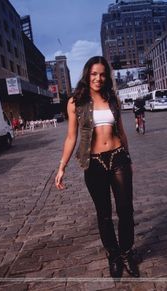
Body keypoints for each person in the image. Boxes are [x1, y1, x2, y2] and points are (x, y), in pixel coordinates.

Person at [55, 56, 139, 278]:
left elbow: (121, 130)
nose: (98, 78)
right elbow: (71, 137)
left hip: (118, 156)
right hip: (94, 163)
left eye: (102, 74)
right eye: (94, 74)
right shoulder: (75, 102)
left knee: (125, 210)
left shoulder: (112, 98)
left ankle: (127, 252)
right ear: (87, 75)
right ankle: (113, 255)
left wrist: (129, 158)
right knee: (103, 214)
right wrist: (62, 167)